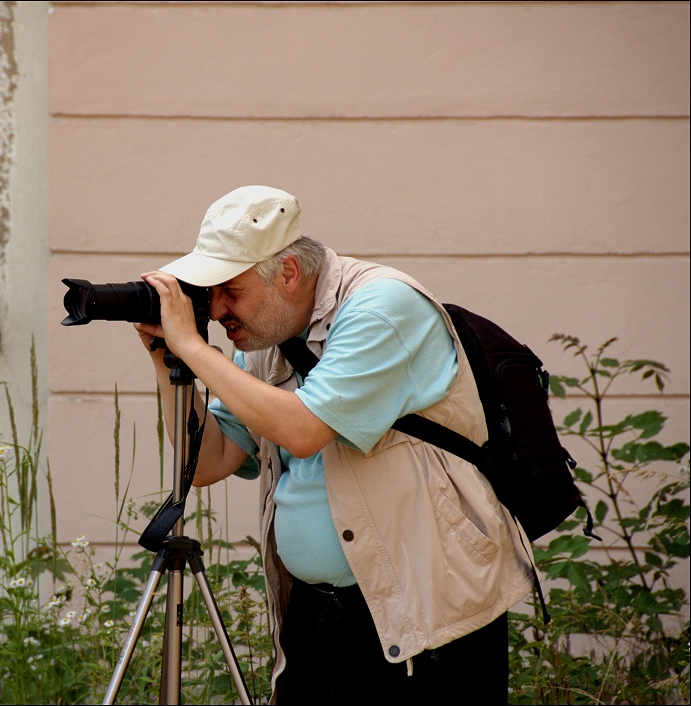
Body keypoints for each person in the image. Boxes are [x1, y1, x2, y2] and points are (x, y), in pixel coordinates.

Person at [135, 185, 534, 703]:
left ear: (288, 273)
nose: (215, 310)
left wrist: (192, 345)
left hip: (424, 609)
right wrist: (166, 360)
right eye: (210, 293)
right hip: (317, 613)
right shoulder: (262, 337)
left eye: (229, 290)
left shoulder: (382, 307)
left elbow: (304, 431)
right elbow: (208, 462)